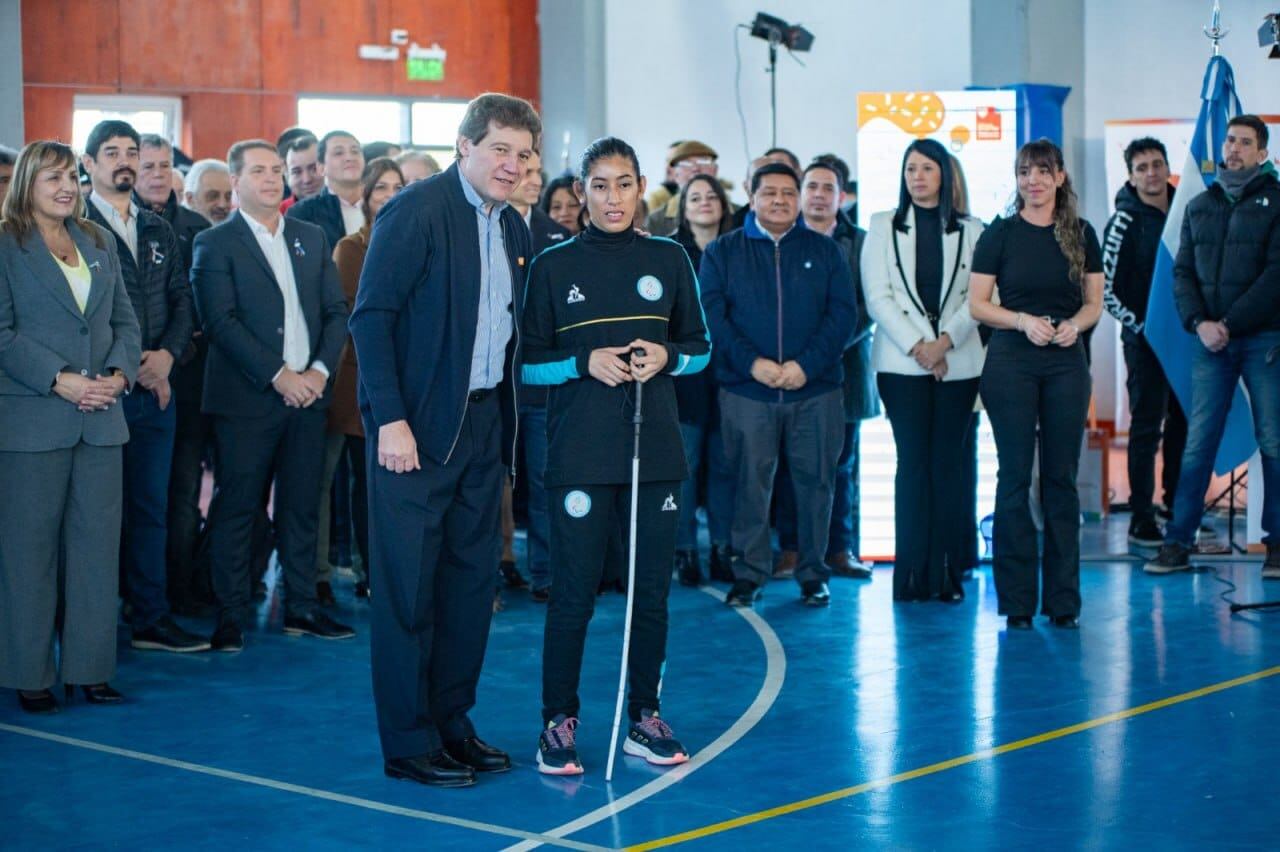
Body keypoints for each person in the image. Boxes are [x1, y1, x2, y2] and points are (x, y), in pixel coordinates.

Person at [350, 92, 542, 788]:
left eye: (522, 154)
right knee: (407, 593)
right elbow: (370, 320)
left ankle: (452, 725)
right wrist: (390, 420)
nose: (511, 164)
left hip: (483, 427)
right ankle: (408, 741)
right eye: (499, 149)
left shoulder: (513, 227)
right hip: (416, 431)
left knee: (469, 586)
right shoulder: (418, 210)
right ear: (465, 146)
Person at [522, 135, 710, 775]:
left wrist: (669, 358)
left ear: (639, 188)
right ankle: (557, 722)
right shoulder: (551, 267)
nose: (612, 197)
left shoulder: (671, 257)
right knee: (572, 594)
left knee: (649, 594)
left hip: (654, 452)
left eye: (624, 183)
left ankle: (644, 716)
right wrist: (583, 362)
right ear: (580, 192)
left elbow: (700, 348)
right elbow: (527, 366)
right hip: (578, 454)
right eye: (598, 185)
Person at [191, 139, 355, 651]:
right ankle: (231, 612)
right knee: (238, 506)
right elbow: (220, 322)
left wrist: (320, 373)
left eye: (276, 170)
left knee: (303, 506)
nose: (271, 178)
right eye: (258, 170)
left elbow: (335, 312)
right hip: (248, 400)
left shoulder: (310, 235)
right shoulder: (215, 244)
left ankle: (300, 606)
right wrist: (280, 376)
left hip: (310, 395)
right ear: (235, 182)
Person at [0, 140, 141, 711]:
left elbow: (126, 322)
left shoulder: (98, 241)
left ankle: (90, 669)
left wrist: (119, 374)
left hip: (103, 419)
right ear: (26, 184)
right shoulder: (6, 244)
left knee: (96, 551)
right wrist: (58, 378)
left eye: (71, 177)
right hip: (34, 421)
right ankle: (29, 673)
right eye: (50, 178)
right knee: (28, 553)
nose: (65, 187)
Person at [701, 162, 857, 608]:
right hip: (747, 390)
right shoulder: (723, 252)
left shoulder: (825, 252)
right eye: (769, 193)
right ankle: (748, 575)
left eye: (789, 193)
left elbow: (842, 315)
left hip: (816, 390)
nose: (780, 201)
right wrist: (752, 364)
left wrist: (805, 367)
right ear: (752, 198)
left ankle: (813, 573)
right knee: (750, 486)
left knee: (816, 485)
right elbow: (712, 314)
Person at [81, 120, 205, 652]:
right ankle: (90, 625)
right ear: (88, 164)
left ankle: (150, 616)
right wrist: (131, 364)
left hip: (156, 391)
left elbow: (183, 300)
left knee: (152, 508)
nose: (124, 161)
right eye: (111, 152)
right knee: (96, 515)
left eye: (131, 151)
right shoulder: (74, 226)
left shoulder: (156, 227)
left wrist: (168, 357)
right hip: (100, 394)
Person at [969, 139, 1103, 630]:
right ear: (1018, 178)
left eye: (1044, 172)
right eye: (1026, 172)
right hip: (1011, 362)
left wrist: (1076, 325)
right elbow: (978, 305)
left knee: (1062, 481)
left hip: (1067, 363)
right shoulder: (999, 234)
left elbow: (1094, 302)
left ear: (1061, 177)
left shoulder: (1082, 233)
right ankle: (1018, 604)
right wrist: (1022, 321)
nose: (1034, 181)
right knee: (1015, 478)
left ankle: (1064, 602)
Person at [1146, 114, 1280, 577]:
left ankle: (1277, 545)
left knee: (1274, 440)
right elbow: (1181, 273)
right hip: (1210, 342)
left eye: (1245, 142)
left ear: (1262, 154)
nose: (1234, 148)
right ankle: (1177, 542)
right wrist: (1200, 322)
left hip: (1263, 340)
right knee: (1198, 441)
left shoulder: (1277, 203)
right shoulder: (1200, 205)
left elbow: (1275, 277)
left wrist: (1227, 321)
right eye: (1230, 140)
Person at [863, 139, 986, 601]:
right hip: (901, 365)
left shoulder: (974, 230)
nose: (917, 176)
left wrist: (944, 344)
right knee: (912, 466)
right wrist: (920, 347)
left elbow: (978, 299)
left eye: (927, 168)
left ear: (944, 176)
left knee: (948, 467)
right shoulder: (881, 226)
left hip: (959, 362)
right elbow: (878, 297)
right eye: (910, 168)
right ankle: (911, 575)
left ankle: (947, 575)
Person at [774, 156, 880, 581]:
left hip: (845, 367)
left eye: (827, 188)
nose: (818, 195)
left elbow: (870, 305)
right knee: (787, 463)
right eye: (811, 187)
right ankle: (791, 549)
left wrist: (824, 347)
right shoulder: (781, 240)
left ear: (843, 197)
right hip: (790, 370)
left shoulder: (864, 242)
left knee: (842, 465)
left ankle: (839, 548)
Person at [315, 157, 406, 604]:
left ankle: (376, 572)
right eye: (380, 188)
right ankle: (325, 573)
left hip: (399, 379)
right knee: (341, 482)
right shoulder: (352, 248)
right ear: (367, 197)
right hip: (352, 381)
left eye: (396, 187)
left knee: (376, 487)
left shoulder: (413, 242)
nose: (389, 195)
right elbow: (352, 318)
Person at [1101, 137, 1186, 547]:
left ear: (1168, 167)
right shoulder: (1122, 222)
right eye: (1142, 167)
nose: (1151, 173)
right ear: (1131, 176)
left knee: (1184, 425)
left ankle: (1177, 507)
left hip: (1188, 341)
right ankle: (1141, 516)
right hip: (1145, 343)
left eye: (1157, 164)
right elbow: (1105, 291)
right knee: (1147, 427)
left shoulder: (1189, 210)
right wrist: (1142, 326)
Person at [505, 151, 572, 600]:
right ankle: (490, 568)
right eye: (524, 173)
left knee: (547, 478)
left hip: (543, 380)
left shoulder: (562, 239)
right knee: (491, 483)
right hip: (494, 380)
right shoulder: (486, 229)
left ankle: (546, 571)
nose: (533, 181)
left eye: (536, 174)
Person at [669, 174, 735, 586]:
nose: (704, 202)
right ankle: (686, 551)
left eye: (712, 195)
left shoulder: (740, 247)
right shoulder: (670, 252)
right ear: (683, 207)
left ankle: (724, 548)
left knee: (727, 467)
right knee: (686, 468)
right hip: (686, 375)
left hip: (733, 372)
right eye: (695, 197)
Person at [286, 130, 365, 247]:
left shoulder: (382, 203)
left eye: (355, 151)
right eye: (338, 153)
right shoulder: (302, 214)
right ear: (321, 168)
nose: (349, 157)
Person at [645, 140, 720, 235]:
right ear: (675, 174)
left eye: (703, 161)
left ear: (715, 170)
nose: (695, 169)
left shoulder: (739, 214)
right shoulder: (655, 221)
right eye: (686, 163)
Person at [283, 135, 324, 213]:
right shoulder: (279, 214)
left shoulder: (348, 204)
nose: (307, 180)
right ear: (287, 177)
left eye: (314, 169)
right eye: (296, 172)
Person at [183, 159, 233, 224]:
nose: (222, 205)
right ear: (190, 199)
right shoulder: (171, 232)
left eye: (228, 197)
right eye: (213, 196)